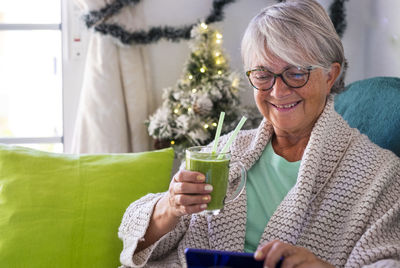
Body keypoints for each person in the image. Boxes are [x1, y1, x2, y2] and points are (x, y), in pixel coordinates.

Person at [118, 0, 400, 267]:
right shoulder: (225, 150)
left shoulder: (379, 176)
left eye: (297, 73)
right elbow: (135, 235)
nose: (278, 91)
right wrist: (171, 206)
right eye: (263, 75)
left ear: (330, 75)